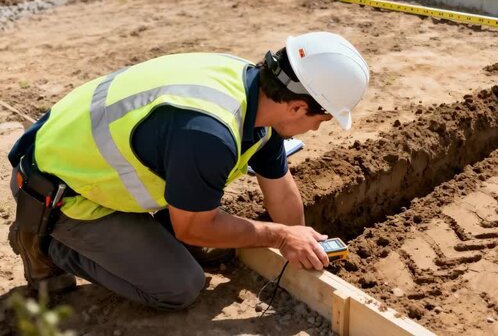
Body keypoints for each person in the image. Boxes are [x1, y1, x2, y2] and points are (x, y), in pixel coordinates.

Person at [7, 31, 369, 310]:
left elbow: (279, 185)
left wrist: (298, 239)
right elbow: (193, 226)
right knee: (179, 285)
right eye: (322, 118)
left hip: (89, 168)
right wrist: (278, 238)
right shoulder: (208, 132)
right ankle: (46, 243)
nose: (319, 128)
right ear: (296, 107)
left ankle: (145, 235)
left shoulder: (256, 93)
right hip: (59, 193)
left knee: (209, 240)